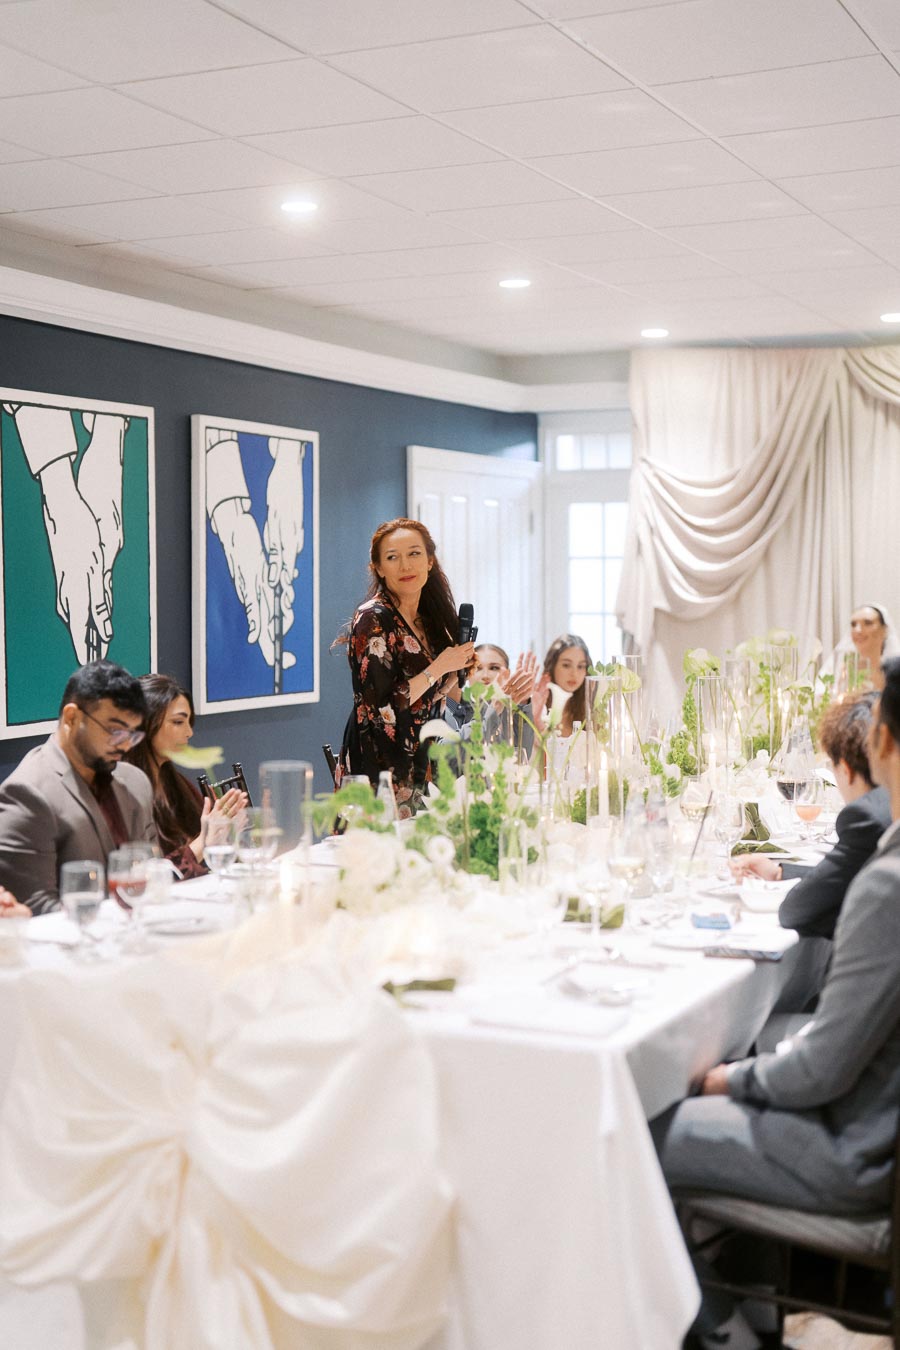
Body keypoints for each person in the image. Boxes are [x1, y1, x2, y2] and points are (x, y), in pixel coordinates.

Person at [652, 654, 900, 1341]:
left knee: (639, 1131)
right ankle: (756, 1310)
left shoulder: (889, 884)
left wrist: (736, 1076)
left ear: (878, 744)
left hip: (858, 1152)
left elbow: (820, 1070)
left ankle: (721, 1331)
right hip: (873, 1128)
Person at [337, 517, 475, 817]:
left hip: (422, 763)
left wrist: (456, 672)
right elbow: (383, 707)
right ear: (378, 568)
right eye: (392, 558)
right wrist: (438, 667)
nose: (405, 566)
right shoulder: (373, 618)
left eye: (414, 554)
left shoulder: (429, 618)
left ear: (429, 561)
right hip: (380, 767)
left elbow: (430, 696)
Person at [731, 690, 891, 939]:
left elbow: (794, 911)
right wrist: (780, 872)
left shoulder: (866, 818)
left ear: (845, 770)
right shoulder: (887, 807)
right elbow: (852, 875)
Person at [0, 660, 155, 914]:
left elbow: (151, 871)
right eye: (115, 730)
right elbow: (35, 910)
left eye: (133, 735)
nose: (125, 746)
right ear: (71, 717)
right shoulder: (27, 793)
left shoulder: (136, 783)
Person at [124, 674, 247, 879]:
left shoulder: (176, 783)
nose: (189, 732)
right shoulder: (123, 794)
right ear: (145, 723)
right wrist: (204, 842)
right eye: (178, 722)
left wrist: (227, 832)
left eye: (189, 722)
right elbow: (143, 880)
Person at [821, 602, 900, 692]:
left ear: (884, 630)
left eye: (868, 623)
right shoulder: (837, 670)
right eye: (853, 624)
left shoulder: (895, 672)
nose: (858, 630)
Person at [536, 634, 592, 736]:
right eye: (566, 665)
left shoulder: (590, 711)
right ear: (552, 666)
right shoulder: (536, 707)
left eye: (580, 666)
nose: (574, 673)